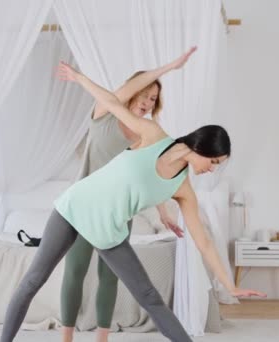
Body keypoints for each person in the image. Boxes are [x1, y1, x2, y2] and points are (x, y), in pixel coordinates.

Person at [0, 57, 266, 342]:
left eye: (218, 165)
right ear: (199, 147)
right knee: (32, 281)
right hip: (74, 209)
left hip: (109, 230)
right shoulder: (153, 135)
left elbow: (204, 243)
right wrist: (79, 78)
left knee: (149, 295)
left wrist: (229, 286)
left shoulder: (183, 190)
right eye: (213, 161)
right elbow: (113, 103)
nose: (212, 168)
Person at [61, 48, 197, 342]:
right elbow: (126, 88)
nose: (148, 103)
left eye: (153, 99)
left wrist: (163, 213)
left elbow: (152, 176)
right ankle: (66, 338)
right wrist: (170, 66)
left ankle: (102, 339)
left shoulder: (145, 135)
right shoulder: (104, 113)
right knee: (75, 271)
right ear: (131, 92)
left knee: (110, 276)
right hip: (84, 209)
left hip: (118, 213)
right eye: (144, 95)